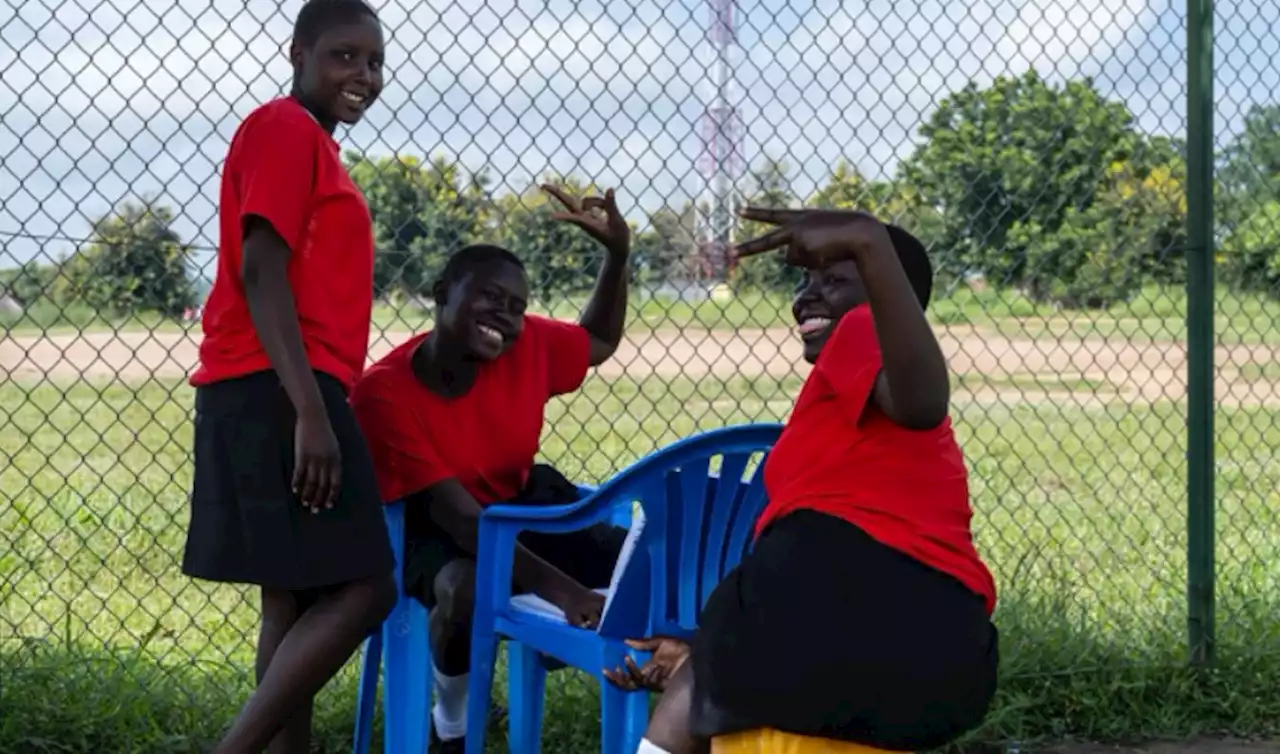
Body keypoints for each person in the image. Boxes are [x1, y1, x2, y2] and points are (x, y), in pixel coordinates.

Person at [603, 208, 1000, 754]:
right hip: (947, 658)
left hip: (865, 612)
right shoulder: (851, 412)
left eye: (835, 281)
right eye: (806, 282)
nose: (805, 297)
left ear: (890, 296)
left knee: (756, 590)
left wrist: (868, 239)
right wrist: (710, 653)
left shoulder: (864, 329)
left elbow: (923, 403)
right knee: (721, 641)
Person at [180, 2, 396, 752]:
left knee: (295, 598)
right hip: (280, 386)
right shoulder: (284, 128)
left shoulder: (315, 146)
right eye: (342, 56)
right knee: (367, 587)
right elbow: (260, 266)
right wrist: (310, 410)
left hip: (270, 385)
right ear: (298, 53)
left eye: (373, 61)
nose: (362, 75)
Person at [350, 184, 633, 753]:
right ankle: (450, 724)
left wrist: (617, 257)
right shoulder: (384, 393)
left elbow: (598, 339)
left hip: (519, 502)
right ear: (440, 294)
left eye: (517, 307)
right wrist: (567, 593)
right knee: (465, 590)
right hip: (433, 525)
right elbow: (459, 520)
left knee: (645, 561)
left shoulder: (524, 347)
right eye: (490, 297)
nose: (505, 316)